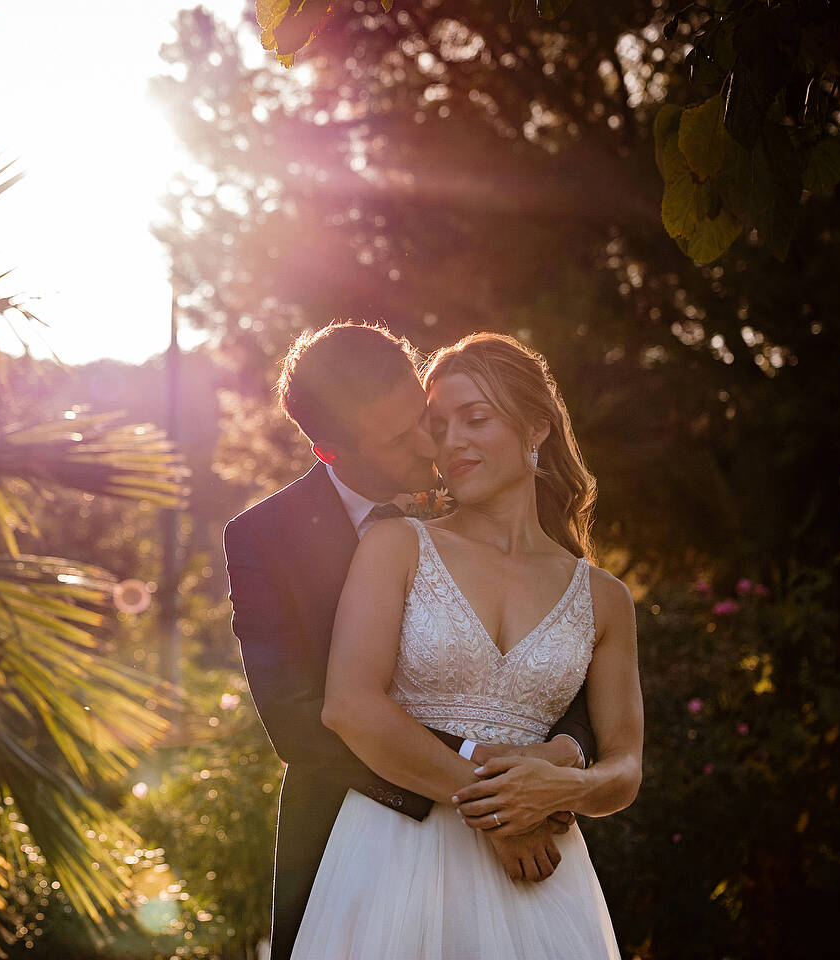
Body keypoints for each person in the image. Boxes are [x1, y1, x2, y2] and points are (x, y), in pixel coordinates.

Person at [224, 322, 600, 960]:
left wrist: (560, 759)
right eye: (400, 439)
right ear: (329, 452)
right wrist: (487, 794)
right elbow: (298, 720)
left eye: (423, 416)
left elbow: (566, 651)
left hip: (530, 839)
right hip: (354, 846)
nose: (432, 444)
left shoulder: (486, 484)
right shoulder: (263, 539)